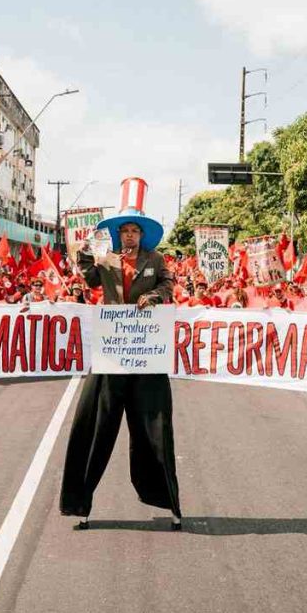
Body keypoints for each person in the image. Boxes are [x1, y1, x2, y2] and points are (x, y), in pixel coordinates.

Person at [60, 178, 182, 531]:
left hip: (145, 355)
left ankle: (170, 505)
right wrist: (84, 251)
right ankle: (79, 505)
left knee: (155, 427)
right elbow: (91, 281)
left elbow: (168, 285)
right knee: (93, 424)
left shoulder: (155, 259)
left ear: (142, 233)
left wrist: (155, 297)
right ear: (118, 233)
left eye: (134, 230)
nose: (129, 235)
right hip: (111, 353)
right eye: (124, 230)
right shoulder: (106, 257)